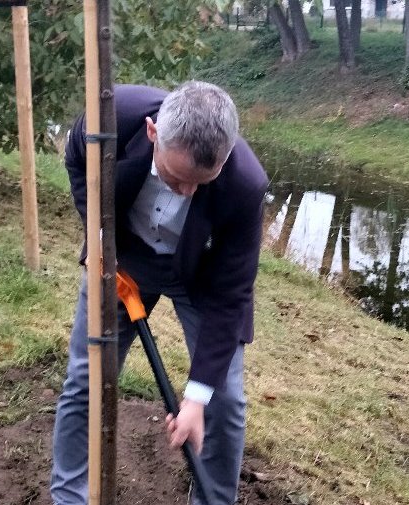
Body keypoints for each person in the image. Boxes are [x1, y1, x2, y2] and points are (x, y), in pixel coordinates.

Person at [51, 81, 269, 505]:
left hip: (201, 276)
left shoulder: (245, 184)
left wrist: (196, 397)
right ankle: (69, 496)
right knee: (87, 377)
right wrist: (98, 234)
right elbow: (77, 160)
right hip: (125, 257)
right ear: (153, 132)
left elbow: (231, 296)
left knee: (223, 400)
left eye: (200, 183)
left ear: (225, 156)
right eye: (175, 178)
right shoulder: (114, 118)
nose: (186, 192)